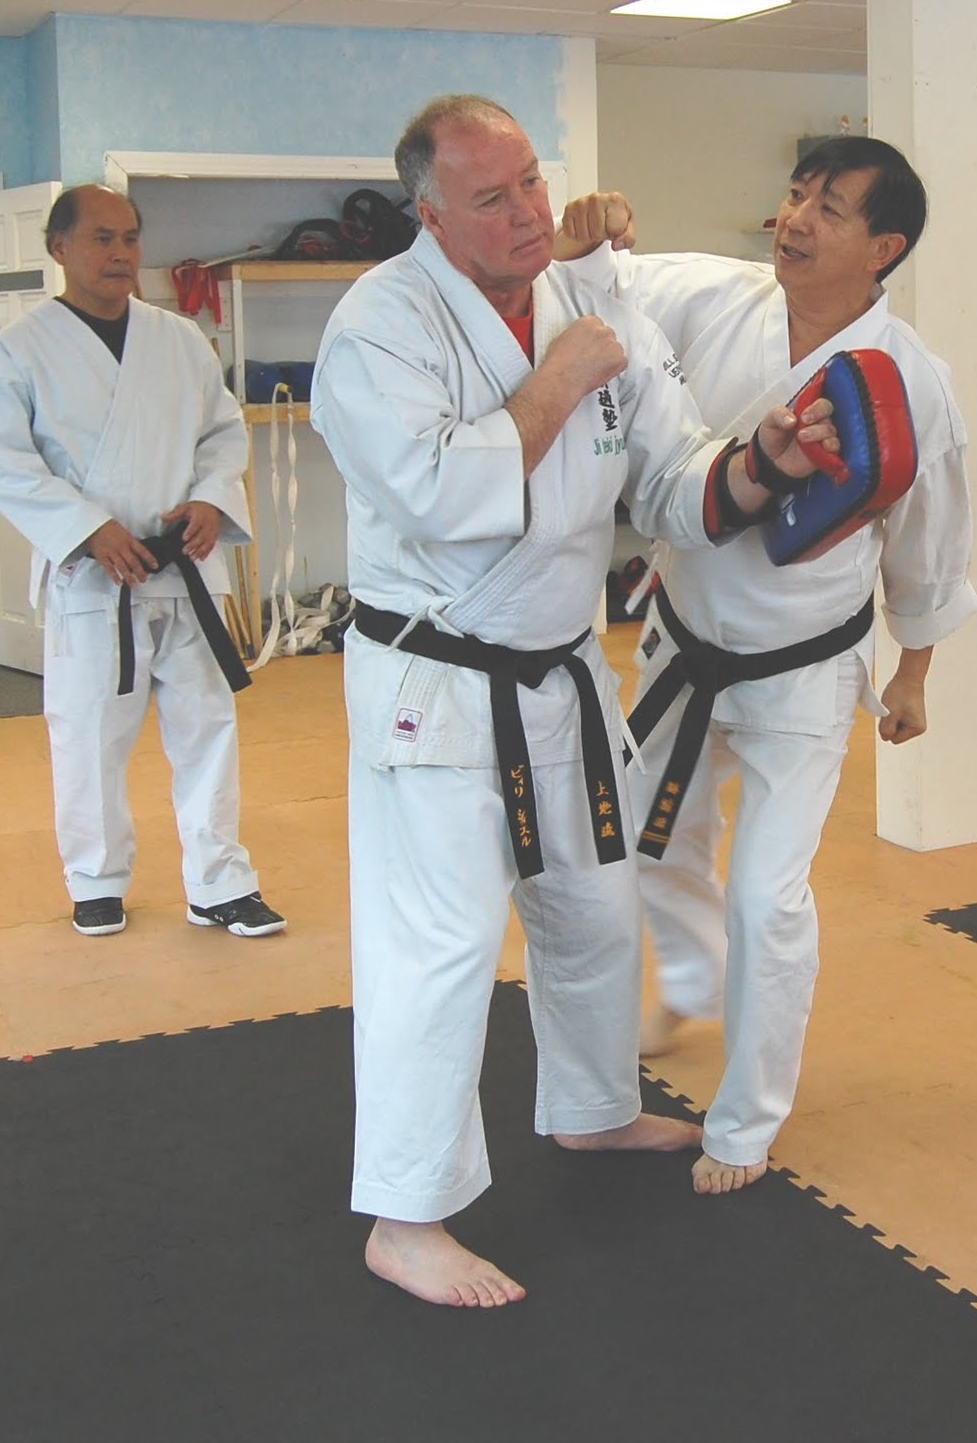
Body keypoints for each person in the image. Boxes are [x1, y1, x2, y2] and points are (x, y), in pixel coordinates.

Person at [310, 94, 841, 1309]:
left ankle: (593, 1111)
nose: (528, 214)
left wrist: (765, 460)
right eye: (491, 198)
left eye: (533, 183)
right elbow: (446, 496)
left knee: (594, 910)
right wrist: (559, 375)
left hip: (560, 671)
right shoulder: (376, 328)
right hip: (436, 685)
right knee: (437, 951)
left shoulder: (596, 307)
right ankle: (406, 1214)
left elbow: (671, 477)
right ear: (429, 211)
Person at [557, 135, 977, 1196]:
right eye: (795, 196)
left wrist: (912, 671)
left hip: (803, 668)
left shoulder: (910, 383)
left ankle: (744, 1121)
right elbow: (599, 284)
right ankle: (693, 982)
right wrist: (592, 234)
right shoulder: (718, 293)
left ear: (881, 247)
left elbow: (929, 544)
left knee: (767, 899)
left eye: (827, 209)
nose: (792, 219)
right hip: (682, 641)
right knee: (641, 850)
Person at [0, 184, 285, 940]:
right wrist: (89, 530)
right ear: (59, 249)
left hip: (184, 566)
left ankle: (219, 883)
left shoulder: (179, 338)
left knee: (208, 729)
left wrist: (213, 500)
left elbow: (223, 434)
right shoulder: (18, 348)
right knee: (89, 733)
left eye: (129, 238)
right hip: (94, 577)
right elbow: (8, 463)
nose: (120, 253)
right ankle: (95, 879)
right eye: (101, 238)